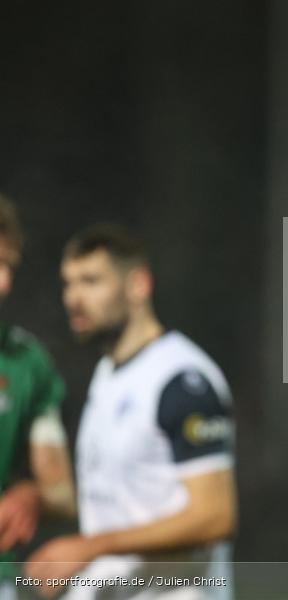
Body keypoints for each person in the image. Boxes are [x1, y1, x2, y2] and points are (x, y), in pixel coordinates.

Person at [25, 224, 237, 599]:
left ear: (138, 285)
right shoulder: (107, 373)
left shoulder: (182, 379)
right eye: (68, 283)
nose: (73, 298)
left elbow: (215, 515)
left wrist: (89, 548)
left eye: (91, 281)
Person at [0, 195, 75, 600]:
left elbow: (62, 495)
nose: (4, 282)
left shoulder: (27, 363)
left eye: (9, 266)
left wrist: (31, 495)